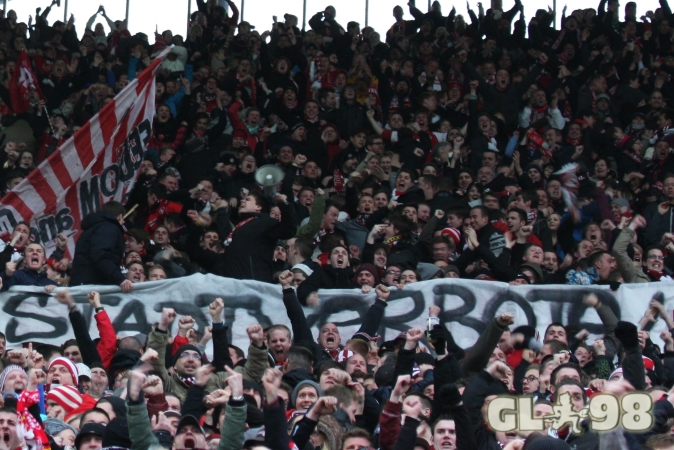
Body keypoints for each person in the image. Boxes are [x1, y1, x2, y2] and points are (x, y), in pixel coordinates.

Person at [70, 201, 132, 292]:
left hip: (83, 283)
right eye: (123, 220)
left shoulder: (92, 228)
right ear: (120, 217)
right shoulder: (109, 227)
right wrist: (120, 279)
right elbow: (101, 255)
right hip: (94, 286)